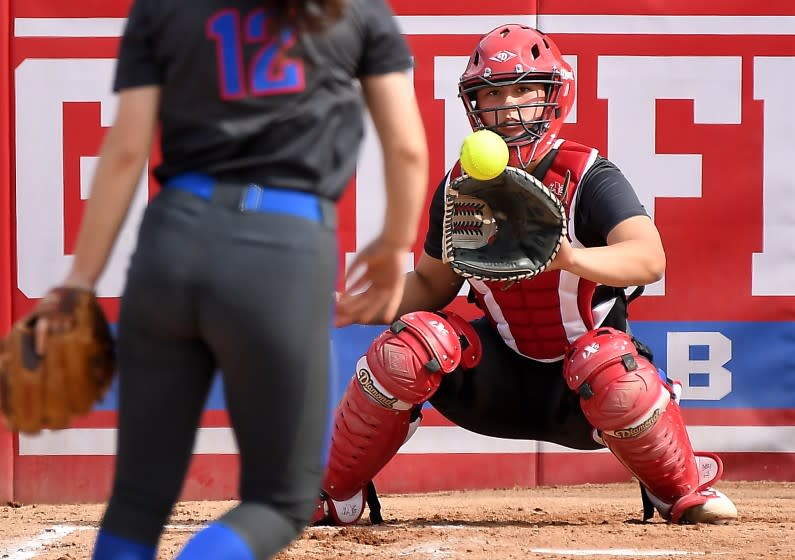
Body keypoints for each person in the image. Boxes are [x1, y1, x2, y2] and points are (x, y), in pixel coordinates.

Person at [33, 0, 428, 558]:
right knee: (281, 499)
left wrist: (78, 283)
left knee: (139, 499)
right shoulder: (355, 9)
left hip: (173, 236)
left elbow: (125, 154)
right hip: (283, 247)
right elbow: (408, 149)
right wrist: (392, 244)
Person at [318, 23, 738, 527]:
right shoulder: (462, 186)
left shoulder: (589, 176)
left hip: (584, 394)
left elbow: (649, 258)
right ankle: (336, 495)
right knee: (410, 346)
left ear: (552, 96)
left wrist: (570, 259)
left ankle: (680, 488)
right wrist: (346, 303)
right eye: (492, 93)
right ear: (475, 106)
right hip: (499, 383)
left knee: (609, 364)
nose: (508, 107)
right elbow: (430, 286)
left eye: (523, 90)